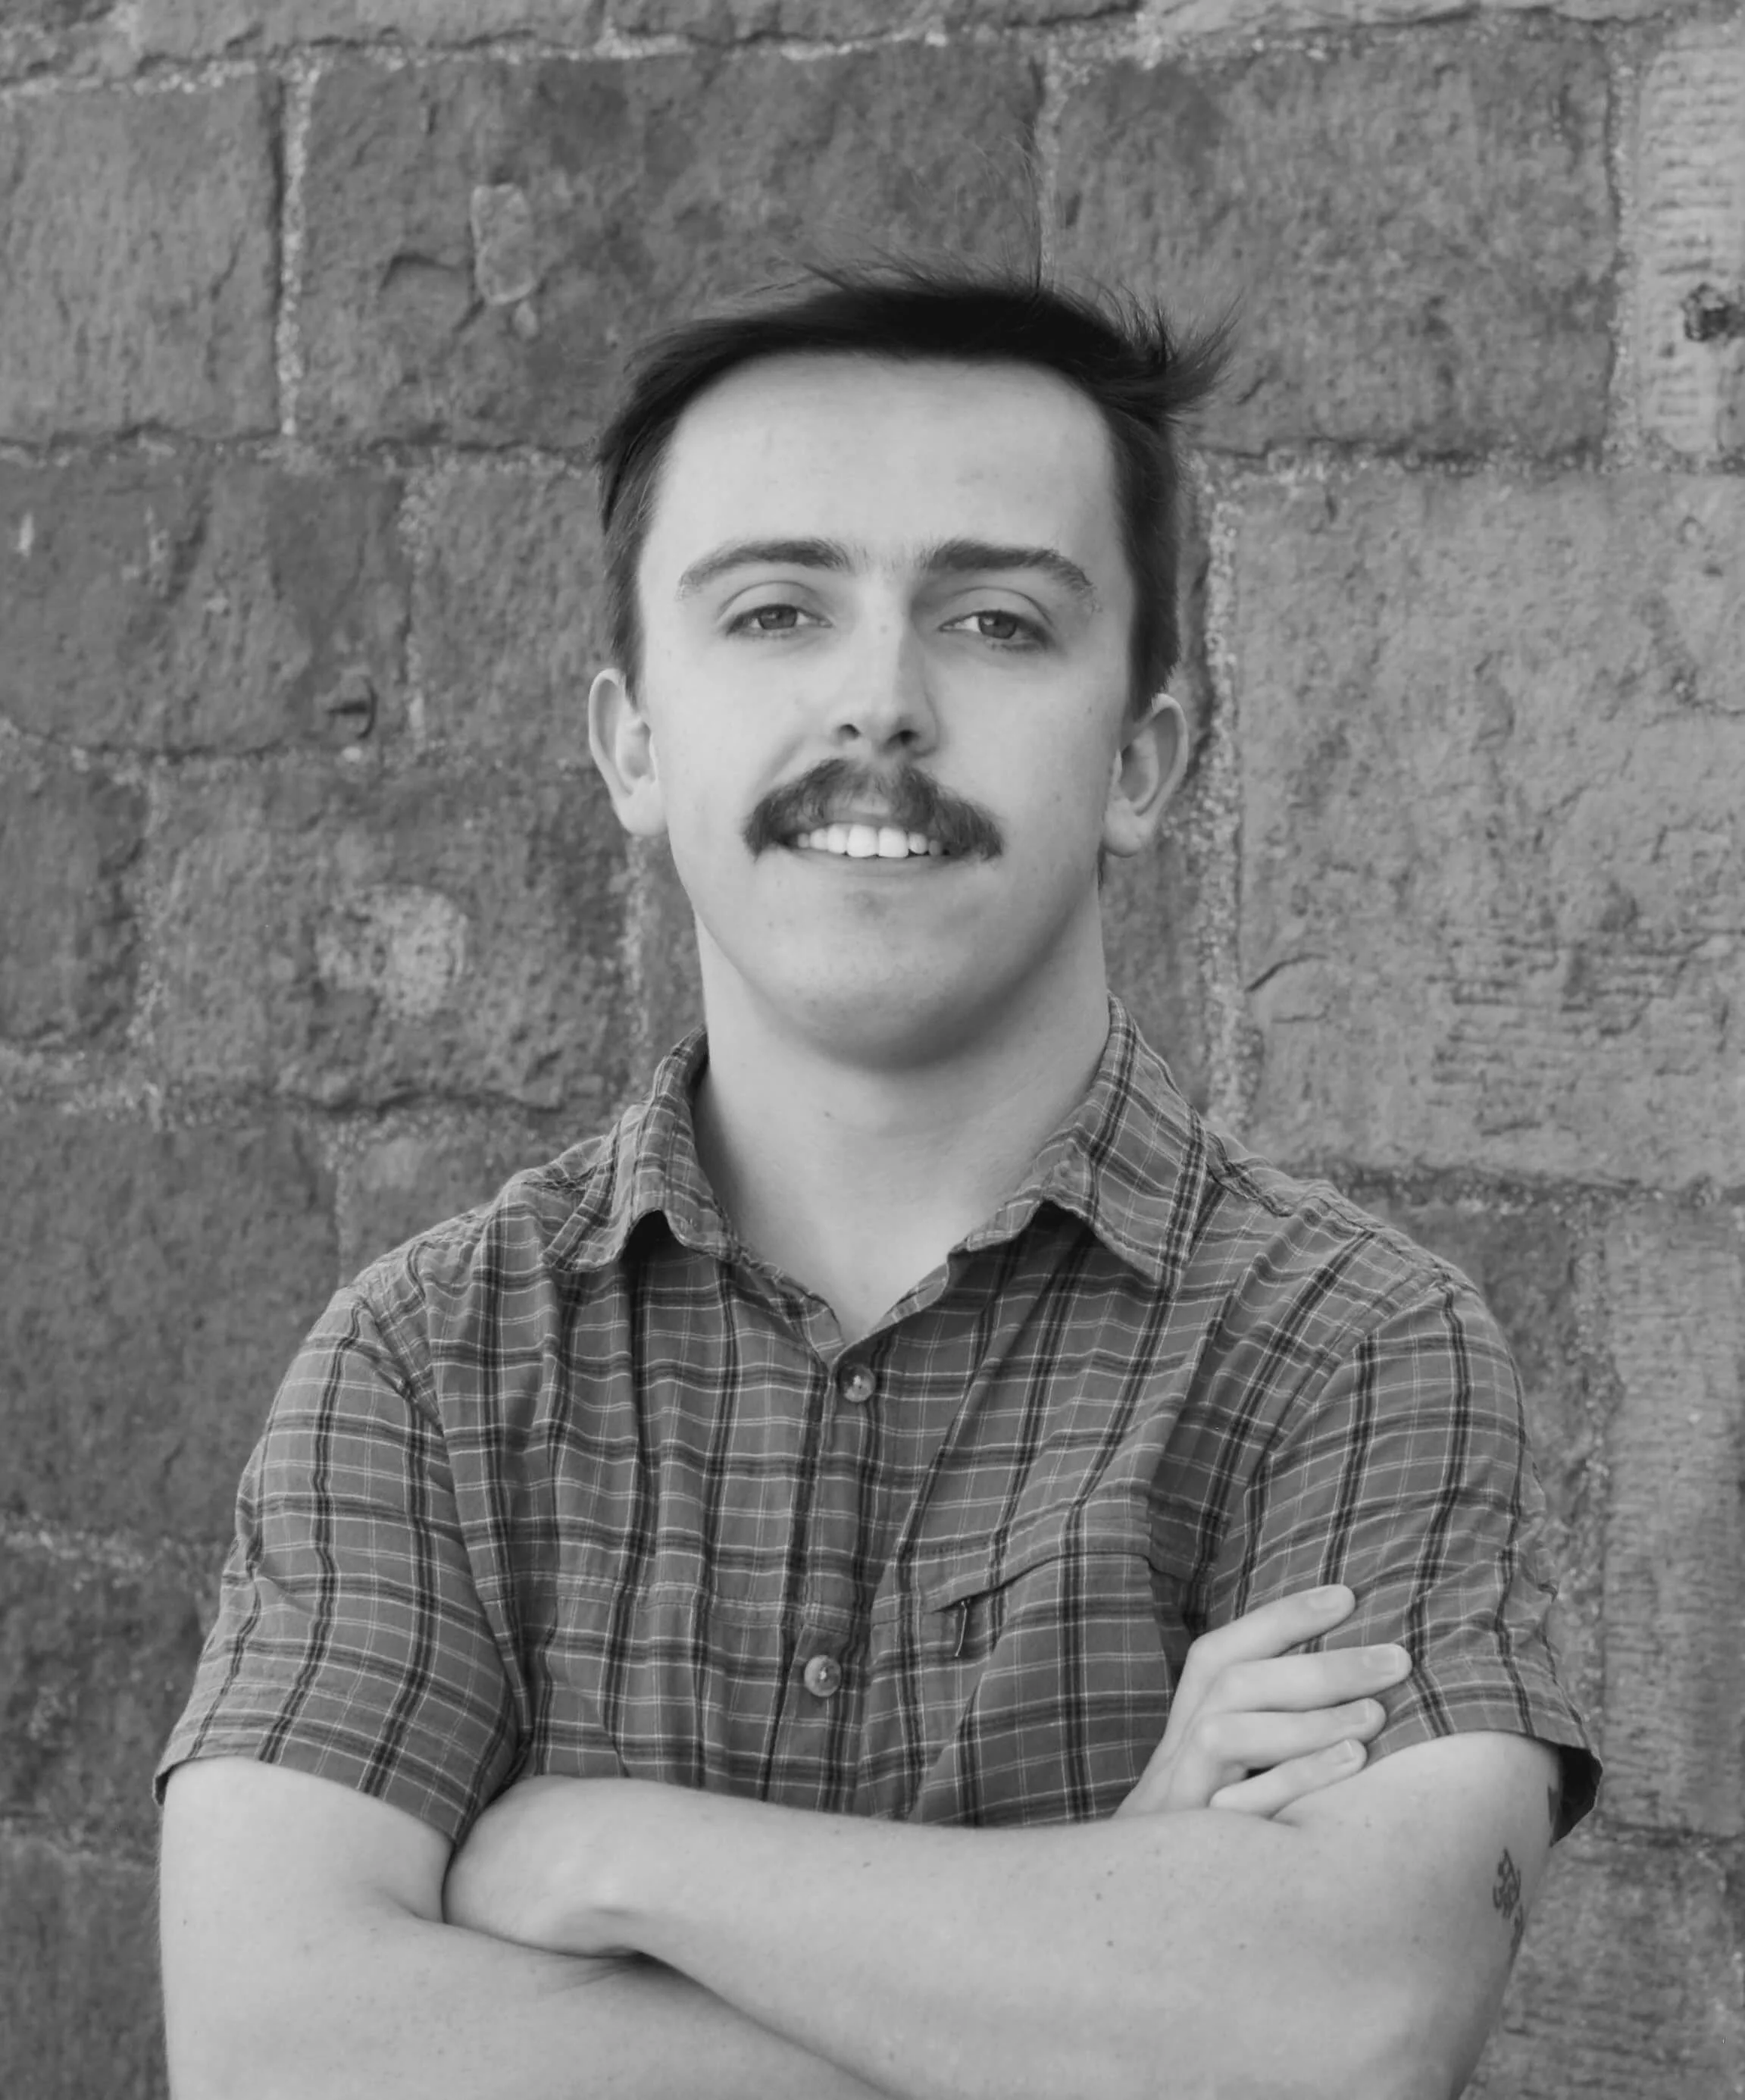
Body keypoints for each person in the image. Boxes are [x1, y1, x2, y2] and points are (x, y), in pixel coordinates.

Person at [157, 261, 1597, 2100]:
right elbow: (282, 2050)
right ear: (634, 741)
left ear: (1141, 758)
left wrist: (598, 1853)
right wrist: (1099, 1961)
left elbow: (1329, 2029)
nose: (880, 705)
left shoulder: (1353, 1348)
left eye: (996, 622)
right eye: (773, 609)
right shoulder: (427, 1367)